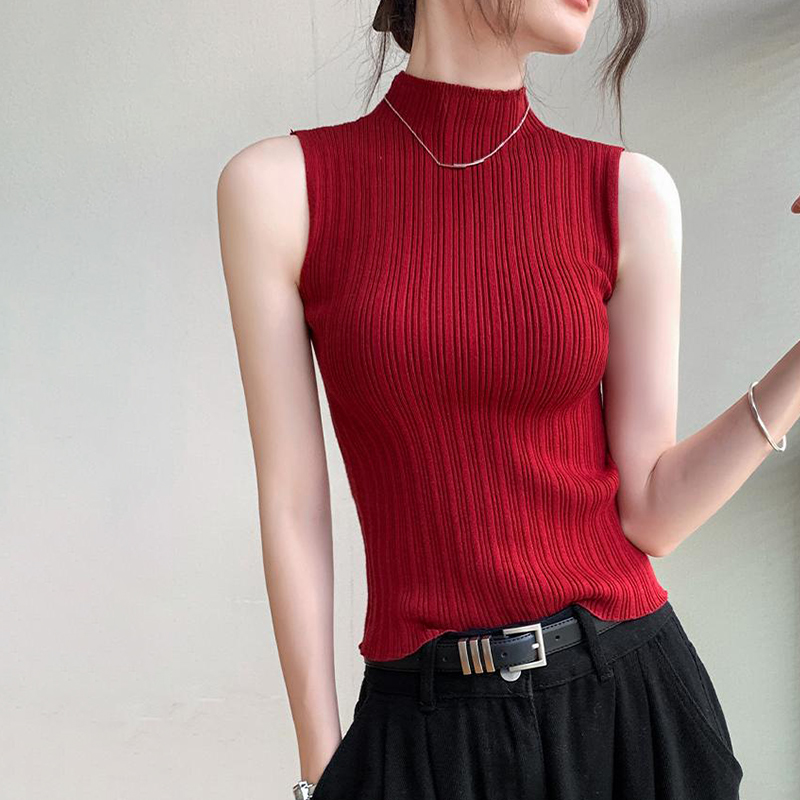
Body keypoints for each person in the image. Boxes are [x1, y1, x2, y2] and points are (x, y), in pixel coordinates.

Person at [216, 1, 800, 798]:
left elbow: (653, 512)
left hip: (628, 709)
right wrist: (323, 773)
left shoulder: (628, 192)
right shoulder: (279, 190)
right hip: (423, 729)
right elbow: (293, 505)